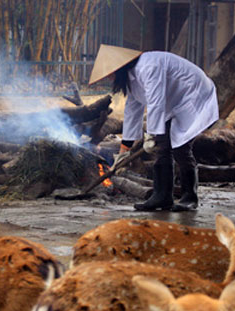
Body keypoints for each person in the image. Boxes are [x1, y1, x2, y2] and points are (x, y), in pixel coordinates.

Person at [89, 45, 219, 211]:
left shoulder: (148, 67)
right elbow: (132, 112)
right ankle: (162, 196)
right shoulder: (133, 78)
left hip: (193, 94)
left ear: (119, 68)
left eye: (110, 75)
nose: (109, 79)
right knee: (164, 147)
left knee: (179, 147)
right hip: (173, 102)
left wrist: (152, 135)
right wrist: (123, 152)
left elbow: (156, 103)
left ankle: (189, 197)